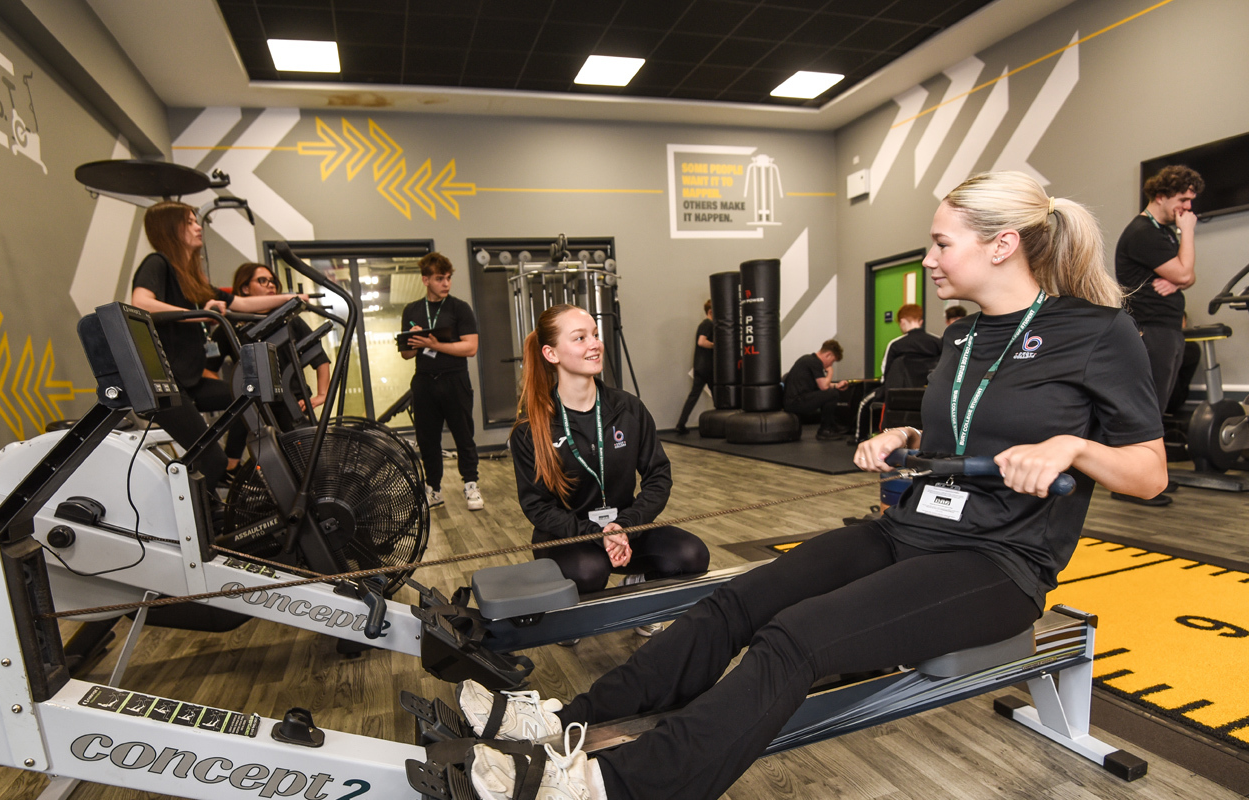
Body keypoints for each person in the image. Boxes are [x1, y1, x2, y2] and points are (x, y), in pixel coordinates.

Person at [454, 171, 1167, 800]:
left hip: (997, 563)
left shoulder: (1099, 333)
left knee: (797, 638)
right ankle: (568, 716)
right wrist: (908, 439)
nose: (929, 258)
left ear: (1003, 244)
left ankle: (612, 784)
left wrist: (1072, 447)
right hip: (907, 531)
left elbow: (1148, 472)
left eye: (942, 244)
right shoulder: (963, 337)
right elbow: (962, 439)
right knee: (735, 600)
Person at [509, 304, 709, 636]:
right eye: (580, 338)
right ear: (551, 353)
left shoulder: (628, 408)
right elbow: (537, 506)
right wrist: (594, 534)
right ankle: (568, 617)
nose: (595, 344)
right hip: (566, 537)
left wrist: (625, 527)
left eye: (596, 335)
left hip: (624, 529)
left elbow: (658, 475)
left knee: (691, 554)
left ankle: (641, 591)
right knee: (590, 570)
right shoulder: (530, 429)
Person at [130, 201, 305, 491]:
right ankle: (198, 520)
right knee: (210, 460)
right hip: (165, 387)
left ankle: (233, 465)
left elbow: (243, 302)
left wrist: (294, 299)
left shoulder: (191, 280)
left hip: (191, 380)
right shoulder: (158, 263)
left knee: (249, 395)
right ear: (170, 229)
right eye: (189, 222)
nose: (198, 227)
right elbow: (141, 303)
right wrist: (199, 315)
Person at [1113, 164, 1203, 506]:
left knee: (1157, 408)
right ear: (1161, 196)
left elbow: (1188, 276)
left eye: (1191, 202)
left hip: (1165, 327)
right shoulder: (1143, 232)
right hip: (1148, 327)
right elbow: (1185, 270)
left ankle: (1153, 480)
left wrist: (1181, 275)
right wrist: (1188, 236)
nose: (1188, 209)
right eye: (1182, 200)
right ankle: (1129, 485)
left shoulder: (1163, 231)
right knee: (1145, 410)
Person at [210, 262, 332, 474]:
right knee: (252, 464)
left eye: (273, 281)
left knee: (311, 464)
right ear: (245, 288)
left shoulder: (290, 319)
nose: (271, 285)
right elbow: (207, 368)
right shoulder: (228, 326)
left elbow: (319, 358)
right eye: (262, 281)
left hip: (293, 402)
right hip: (255, 405)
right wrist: (231, 396)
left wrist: (323, 394)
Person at [401, 252, 483, 510]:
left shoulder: (460, 308)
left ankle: (471, 484)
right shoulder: (412, 310)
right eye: (439, 278)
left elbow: (470, 348)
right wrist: (415, 340)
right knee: (427, 439)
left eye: (448, 278)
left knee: (464, 435)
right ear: (426, 280)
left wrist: (436, 344)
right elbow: (406, 354)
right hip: (424, 382)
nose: (446, 283)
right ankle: (433, 489)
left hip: (454, 379)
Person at [782, 339, 849, 439]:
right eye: (832, 361)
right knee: (832, 394)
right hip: (796, 402)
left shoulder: (809, 360)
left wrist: (837, 385)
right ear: (828, 355)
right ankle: (825, 430)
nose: (830, 365)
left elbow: (820, 384)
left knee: (831, 392)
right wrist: (830, 372)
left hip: (794, 400)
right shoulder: (815, 363)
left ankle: (831, 425)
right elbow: (824, 387)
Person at [673, 299, 714, 435]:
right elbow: (701, 342)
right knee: (719, 396)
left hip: (701, 366)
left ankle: (681, 424)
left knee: (694, 396)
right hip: (707, 367)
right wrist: (716, 345)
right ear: (710, 312)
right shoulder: (707, 324)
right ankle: (722, 424)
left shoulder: (705, 324)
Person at [878, 303, 941, 388]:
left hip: (901, 397)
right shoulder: (938, 342)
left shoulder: (895, 345)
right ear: (921, 322)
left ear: (902, 322)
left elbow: (886, 376)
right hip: (933, 394)